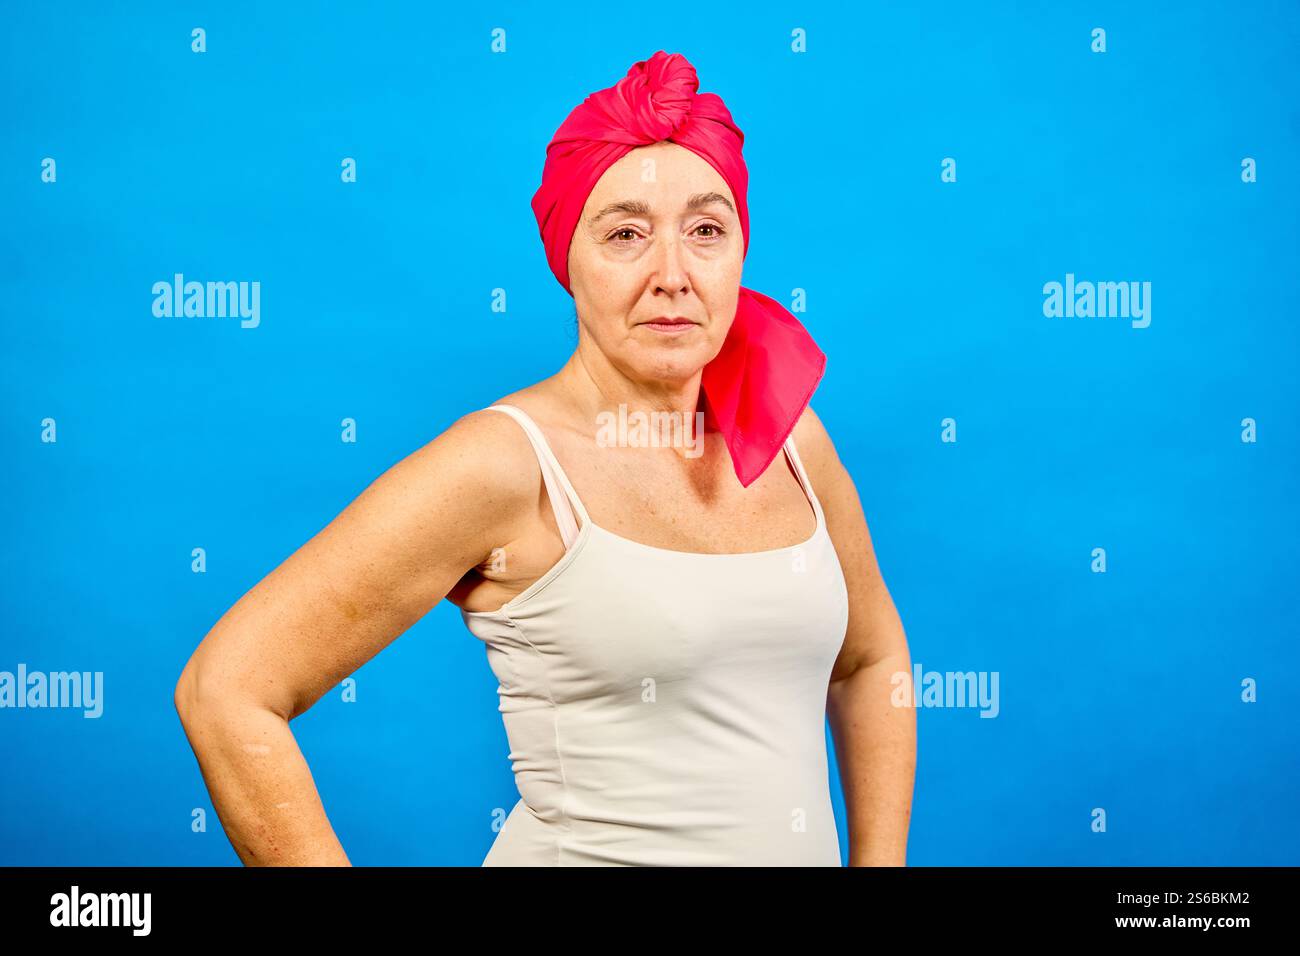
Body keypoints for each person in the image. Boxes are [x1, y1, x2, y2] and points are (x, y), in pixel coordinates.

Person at [174, 50, 915, 867]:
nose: (673, 275)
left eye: (706, 230)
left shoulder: (793, 442)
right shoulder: (507, 466)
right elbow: (226, 691)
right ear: (568, 258)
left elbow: (870, 659)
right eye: (626, 234)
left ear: (741, 248)